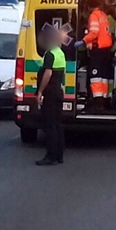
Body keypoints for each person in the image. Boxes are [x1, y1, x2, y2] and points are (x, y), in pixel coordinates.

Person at [37, 26, 66, 166]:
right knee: (57, 124)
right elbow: (61, 73)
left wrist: (40, 91)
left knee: (49, 126)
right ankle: (59, 155)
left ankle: (51, 155)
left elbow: (48, 73)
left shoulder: (50, 54)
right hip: (58, 92)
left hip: (50, 93)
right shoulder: (60, 53)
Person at [83, 0, 114, 112]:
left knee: (95, 77)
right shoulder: (104, 15)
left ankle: (97, 102)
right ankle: (105, 100)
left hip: (98, 50)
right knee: (104, 77)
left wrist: (84, 41)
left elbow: (94, 32)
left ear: (89, 7)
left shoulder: (94, 15)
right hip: (106, 50)